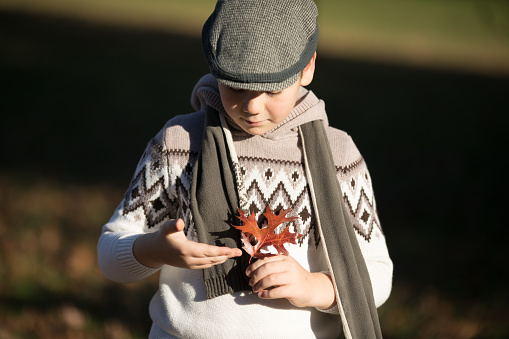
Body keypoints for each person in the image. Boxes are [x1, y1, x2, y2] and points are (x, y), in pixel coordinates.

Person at [97, 0, 393, 338]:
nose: (252, 106)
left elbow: (377, 276)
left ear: (307, 67)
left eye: (272, 89)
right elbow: (109, 255)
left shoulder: (338, 156)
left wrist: (313, 287)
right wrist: (153, 249)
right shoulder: (180, 143)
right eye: (235, 86)